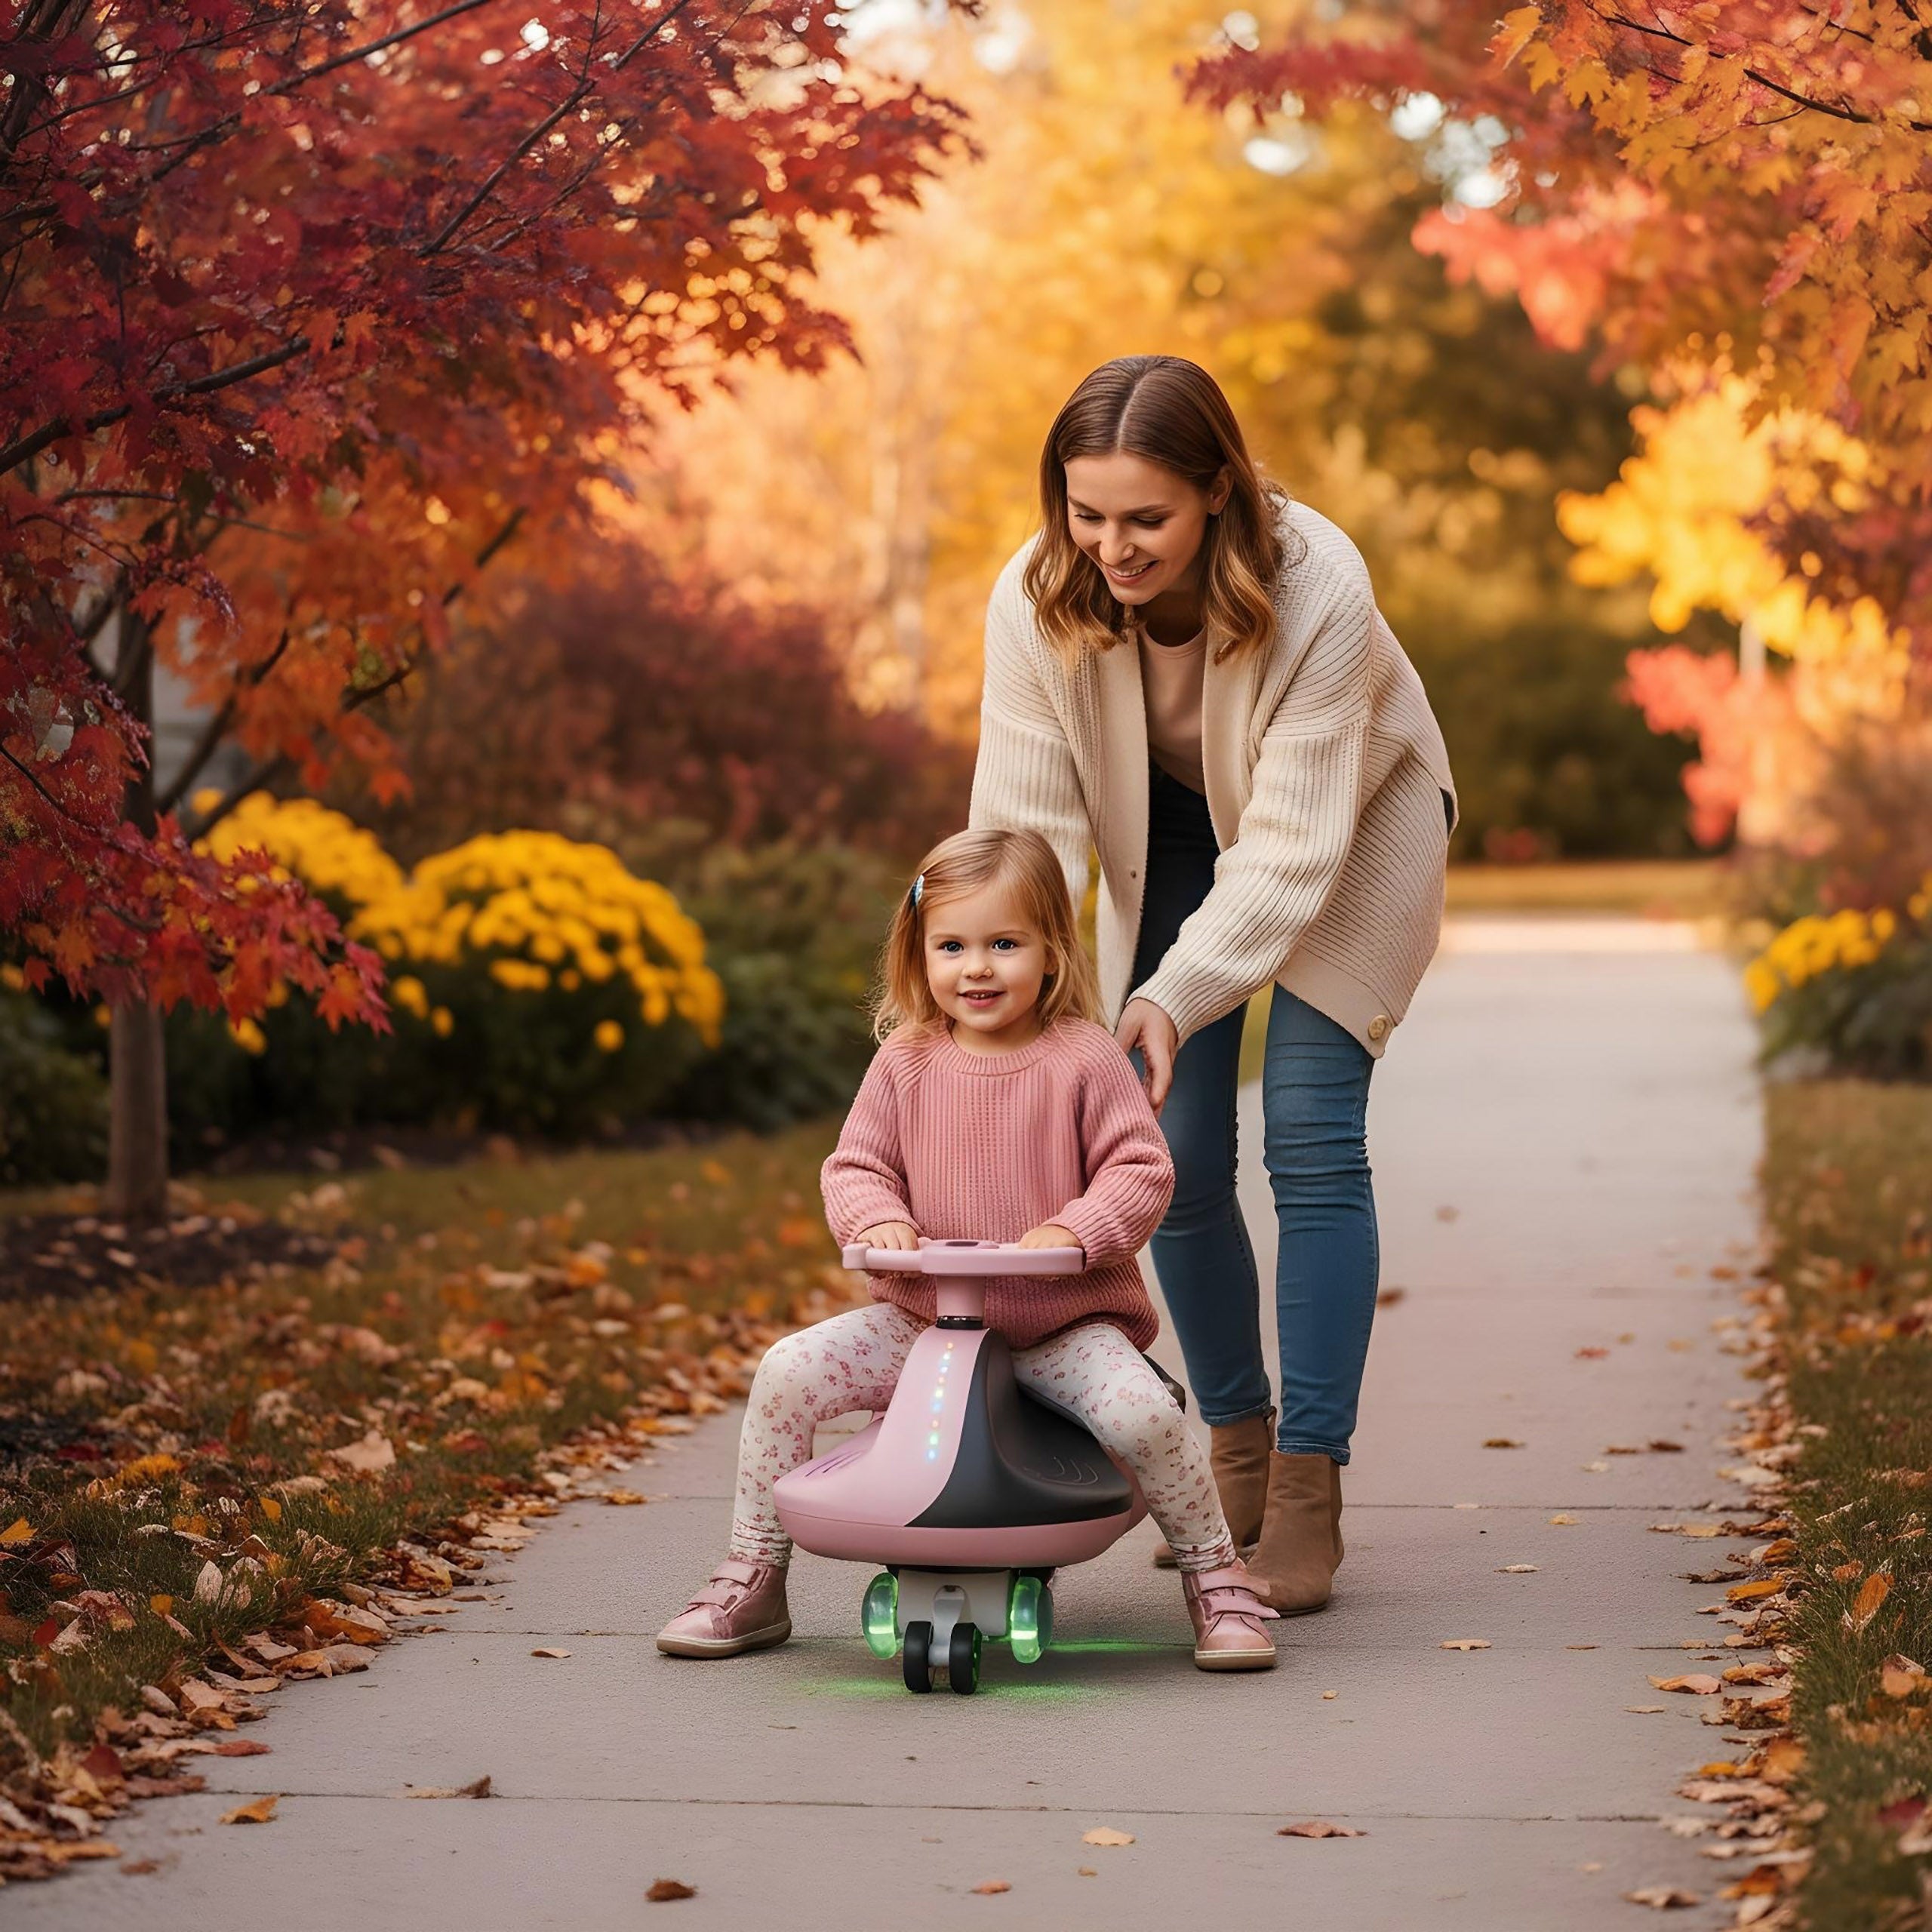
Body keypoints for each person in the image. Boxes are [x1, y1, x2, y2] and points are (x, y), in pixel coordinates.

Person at [968, 354, 1457, 1614]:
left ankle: (1308, 1484)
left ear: (1217, 496)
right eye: (1088, 514)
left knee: (1308, 1132)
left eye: (1146, 520)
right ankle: (1229, 1448)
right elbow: (1029, 831)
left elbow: (1292, 848)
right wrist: (1013, 998)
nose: (1112, 547)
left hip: (1352, 826)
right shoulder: (1035, 601)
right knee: (1164, 1154)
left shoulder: (1318, 585)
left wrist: (1169, 998)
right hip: (1170, 831)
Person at [657, 826, 1278, 1671]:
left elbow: (1140, 1167)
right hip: (925, 1329)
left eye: (1003, 944)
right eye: (952, 945)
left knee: (1144, 1415)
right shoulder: (906, 1061)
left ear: (1051, 952)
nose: (976, 968)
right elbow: (855, 1164)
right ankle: (755, 1570)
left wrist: (1076, 1229)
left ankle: (1214, 1576)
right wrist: (876, 1220)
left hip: (1062, 1327)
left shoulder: (1085, 1059)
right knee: (786, 1373)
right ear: (919, 954)